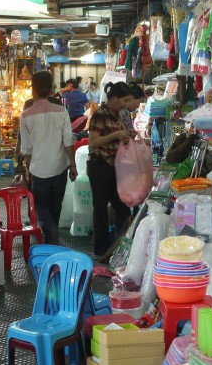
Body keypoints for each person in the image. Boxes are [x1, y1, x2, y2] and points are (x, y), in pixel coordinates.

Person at [20, 70, 77, 244]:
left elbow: (27, 149)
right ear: (51, 89)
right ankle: (51, 239)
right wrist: (73, 165)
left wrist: (29, 171)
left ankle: (50, 234)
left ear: (33, 90)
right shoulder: (61, 111)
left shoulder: (26, 116)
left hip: (39, 170)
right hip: (60, 168)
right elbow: (68, 141)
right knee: (55, 207)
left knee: (41, 207)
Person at [87, 81, 133, 258]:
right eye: (124, 100)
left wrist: (128, 138)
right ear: (114, 98)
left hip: (114, 167)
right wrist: (116, 135)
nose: (125, 104)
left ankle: (117, 246)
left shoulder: (116, 116)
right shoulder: (100, 115)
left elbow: (117, 140)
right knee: (100, 208)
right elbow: (93, 142)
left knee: (122, 208)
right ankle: (101, 249)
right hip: (99, 166)